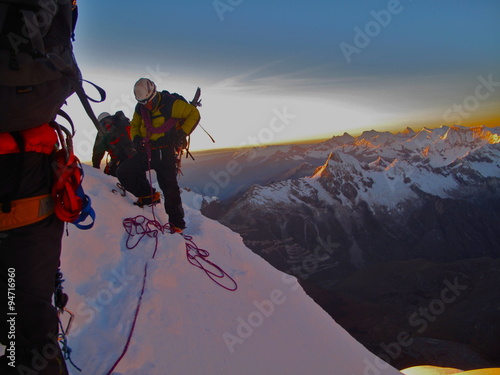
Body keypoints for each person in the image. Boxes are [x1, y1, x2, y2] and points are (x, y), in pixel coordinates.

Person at [116, 78, 200, 233]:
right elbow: (134, 125)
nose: (147, 105)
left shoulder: (170, 104)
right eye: (143, 103)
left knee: (170, 189)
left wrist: (181, 134)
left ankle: (177, 225)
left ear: (154, 94)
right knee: (123, 171)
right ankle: (148, 195)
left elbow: (193, 114)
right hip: (147, 150)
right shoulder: (140, 107)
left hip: (166, 151)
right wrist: (136, 138)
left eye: (148, 101)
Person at [92, 111, 134, 176]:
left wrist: (95, 166)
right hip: (135, 154)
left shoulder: (104, 127)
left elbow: (98, 149)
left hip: (119, 158)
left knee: (109, 175)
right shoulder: (123, 122)